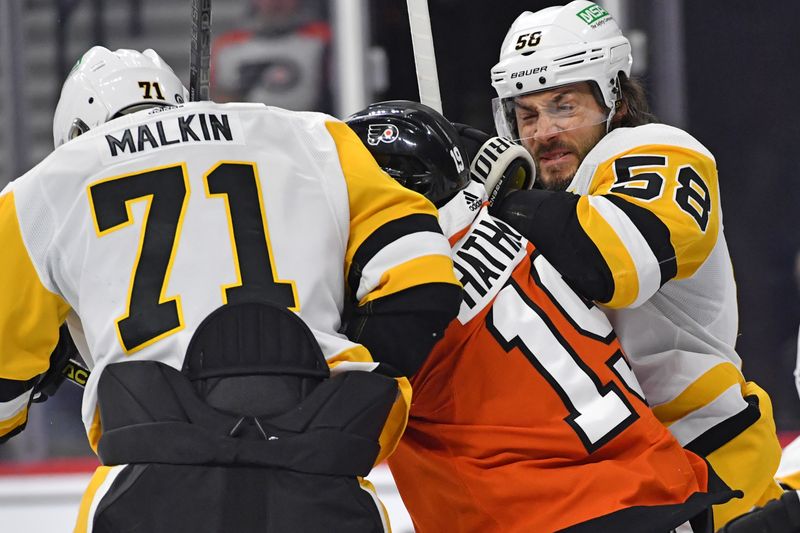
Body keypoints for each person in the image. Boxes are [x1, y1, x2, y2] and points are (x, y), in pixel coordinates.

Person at [0, 46, 462, 532]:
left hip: (150, 486)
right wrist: (341, 377)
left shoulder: (38, 192)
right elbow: (423, 279)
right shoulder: (316, 137)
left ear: (73, 135)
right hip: (322, 475)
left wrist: (43, 373)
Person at [347, 99, 737, 532]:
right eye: (528, 115)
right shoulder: (515, 233)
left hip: (554, 510)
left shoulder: (405, 292)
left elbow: (337, 437)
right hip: (659, 483)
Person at [483, 1, 783, 526]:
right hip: (600, 471)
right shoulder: (530, 192)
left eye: (563, 106)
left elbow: (612, 261)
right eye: (527, 114)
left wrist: (493, 202)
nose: (542, 132)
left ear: (615, 98)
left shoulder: (658, 149)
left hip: (702, 457)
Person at [211, 0, 331, 112]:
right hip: (247, 128)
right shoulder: (227, 46)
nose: (276, 2)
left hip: (312, 128)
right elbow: (215, 99)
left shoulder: (323, 38)